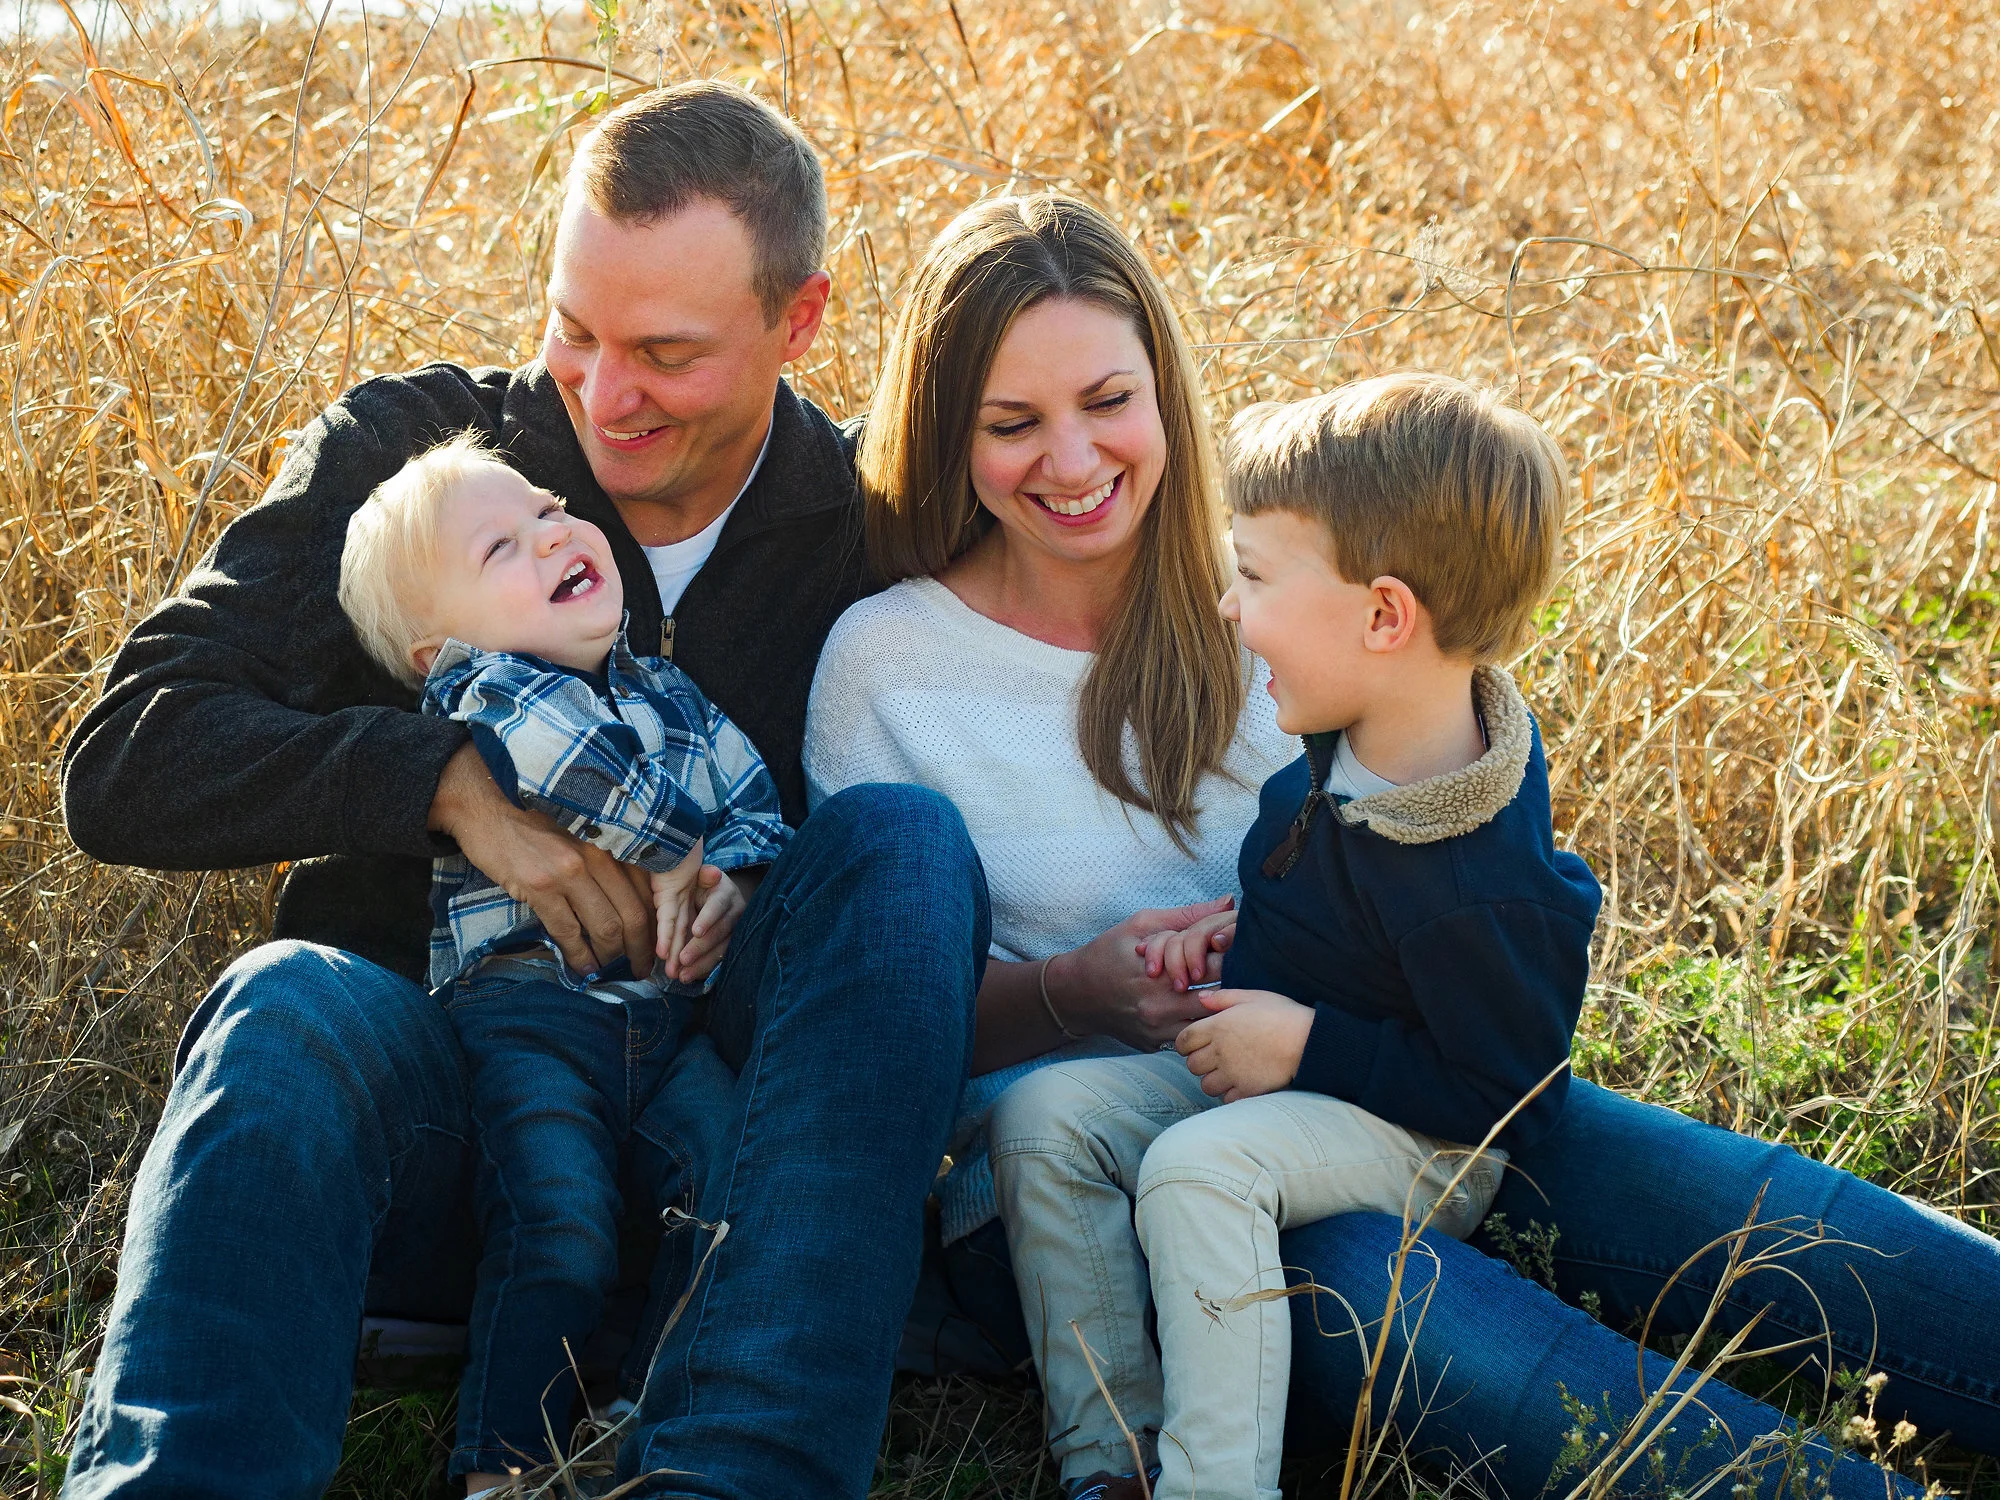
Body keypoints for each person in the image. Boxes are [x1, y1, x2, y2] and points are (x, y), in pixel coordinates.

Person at [805, 191, 1999, 1500]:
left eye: (1107, 400)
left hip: (1391, 1074)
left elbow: (1460, 814)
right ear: (944, 429)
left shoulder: (1279, 588)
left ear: (1166, 389)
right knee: (1499, 1360)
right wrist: (1076, 989)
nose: (1073, 459)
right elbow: (879, 1034)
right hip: (1097, 1169)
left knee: (1794, 1229)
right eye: (1011, 423)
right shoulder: (889, 667)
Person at [58, 82, 989, 1500]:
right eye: (573, 329)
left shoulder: (876, 524)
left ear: (798, 323)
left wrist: (753, 883)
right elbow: (126, 757)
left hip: (729, 1172)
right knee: (284, 1003)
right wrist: (449, 786)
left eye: (667, 352)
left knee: (904, 848)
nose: (603, 398)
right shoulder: (422, 466)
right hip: (451, 1125)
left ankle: (736, 1470)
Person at [986, 374, 1603, 1500]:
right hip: (1289, 1081)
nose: (1229, 608)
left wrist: (1304, 1045)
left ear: (1380, 616)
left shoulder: (1477, 875)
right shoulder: (1348, 733)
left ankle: (1213, 1484)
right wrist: (1236, 943)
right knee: (1043, 1116)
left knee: (1194, 1171)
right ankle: (1111, 1457)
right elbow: (1329, 908)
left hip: (1419, 1138)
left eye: (1257, 578)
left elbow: (1513, 1090)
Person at [338, 434, 795, 1489]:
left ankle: (633, 1416)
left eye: (547, 509)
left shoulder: (672, 697)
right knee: (559, 1223)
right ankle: (499, 1464)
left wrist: (728, 885)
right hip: (527, 1021)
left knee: (721, 1197)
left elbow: (757, 808)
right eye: (502, 547)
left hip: (664, 1023)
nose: (550, 535)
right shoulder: (482, 693)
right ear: (435, 648)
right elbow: (560, 764)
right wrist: (679, 852)